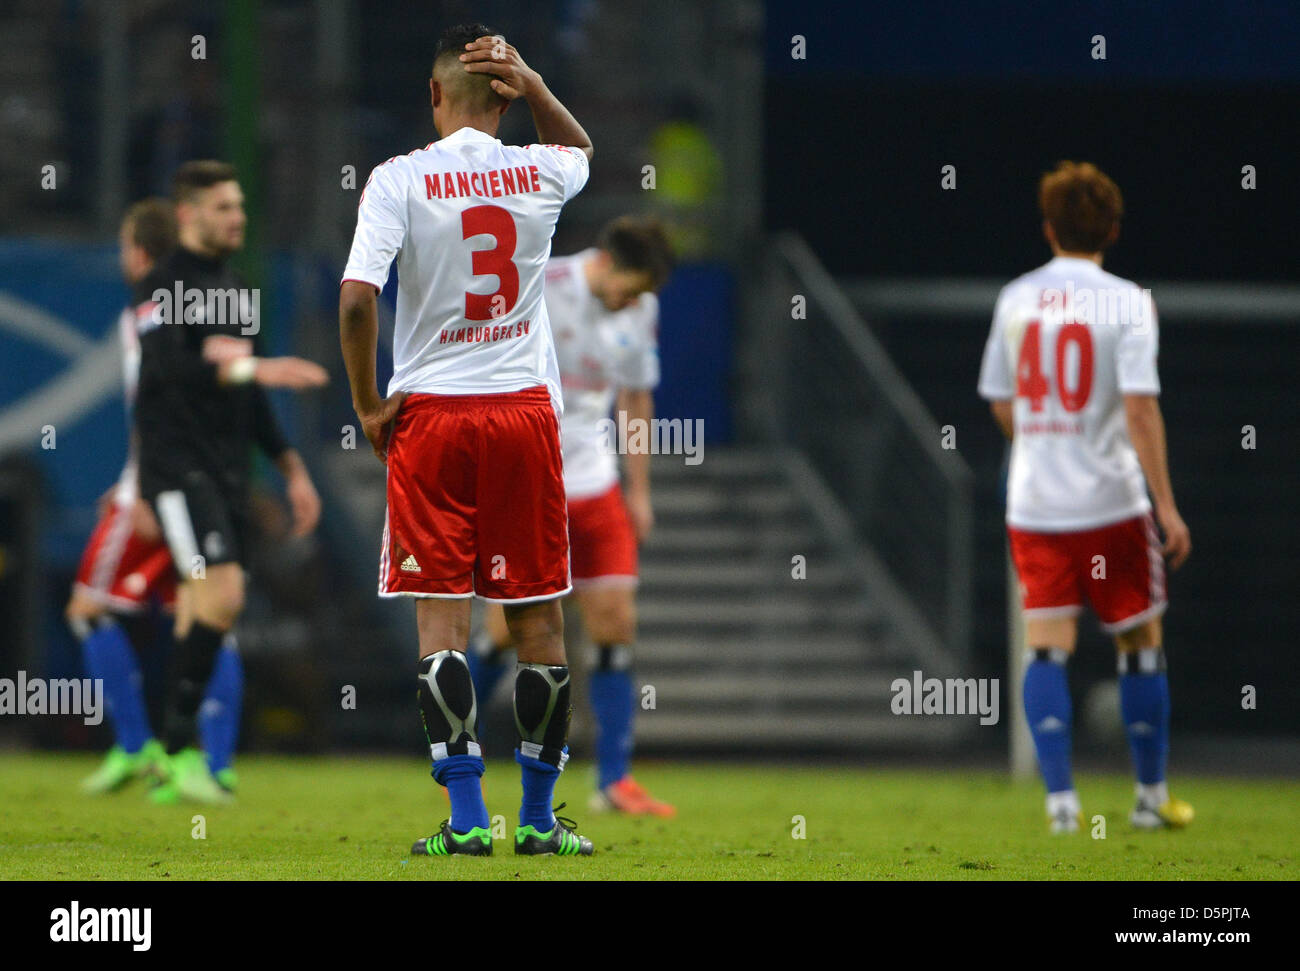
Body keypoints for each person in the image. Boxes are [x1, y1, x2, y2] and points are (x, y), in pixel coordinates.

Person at [339, 23, 594, 857]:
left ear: (436, 95)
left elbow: (354, 300)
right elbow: (579, 144)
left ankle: (463, 822)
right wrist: (540, 86)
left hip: (433, 417)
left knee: (442, 625)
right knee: (540, 627)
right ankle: (540, 820)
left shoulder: (398, 178)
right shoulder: (547, 170)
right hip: (522, 412)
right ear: (507, 96)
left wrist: (370, 404)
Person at [977, 160, 1194, 833]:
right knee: (1140, 638)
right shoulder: (1129, 299)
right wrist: (1167, 504)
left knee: (1046, 642)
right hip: (1109, 501)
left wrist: (1043, 441)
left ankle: (1061, 804)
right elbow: (1140, 411)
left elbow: (1001, 401)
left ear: (1048, 229)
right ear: (1114, 230)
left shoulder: (1016, 298)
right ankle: (1150, 797)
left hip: (1036, 501)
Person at [468, 215, 676, 817]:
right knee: (507, 633)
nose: (632, 302)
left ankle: (614, 780)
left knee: (616, 621)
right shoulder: (540, 284)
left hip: (597, 481)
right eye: (630, 288)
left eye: (643, 296)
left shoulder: (637, 311)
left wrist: (639, 492)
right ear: (605, 262)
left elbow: (636, 397)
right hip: (533, 484)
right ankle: (456, 753)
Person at [134, 160, 328, 804]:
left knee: (202, 606)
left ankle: (173, 760)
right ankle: (176, 747)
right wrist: (250, 368)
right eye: (223, 207)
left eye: (240, 206)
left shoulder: (238, 290)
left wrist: (291, 466)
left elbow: (250, 397)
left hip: (224, 471)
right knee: (223, 594)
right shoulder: (159, 284)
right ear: (188, 214)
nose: (237, 218)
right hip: (176, 469)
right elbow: (167, 370)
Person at [68, 198, 242, 795]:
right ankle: (209, 766)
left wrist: (140, 485)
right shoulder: (206, 300)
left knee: (87, 609)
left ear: (139, 251)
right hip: (204, 486)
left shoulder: (147, 309)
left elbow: (158, 399)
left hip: (159, 485)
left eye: (123, 246)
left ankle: (138, 747)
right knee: (204, 615)